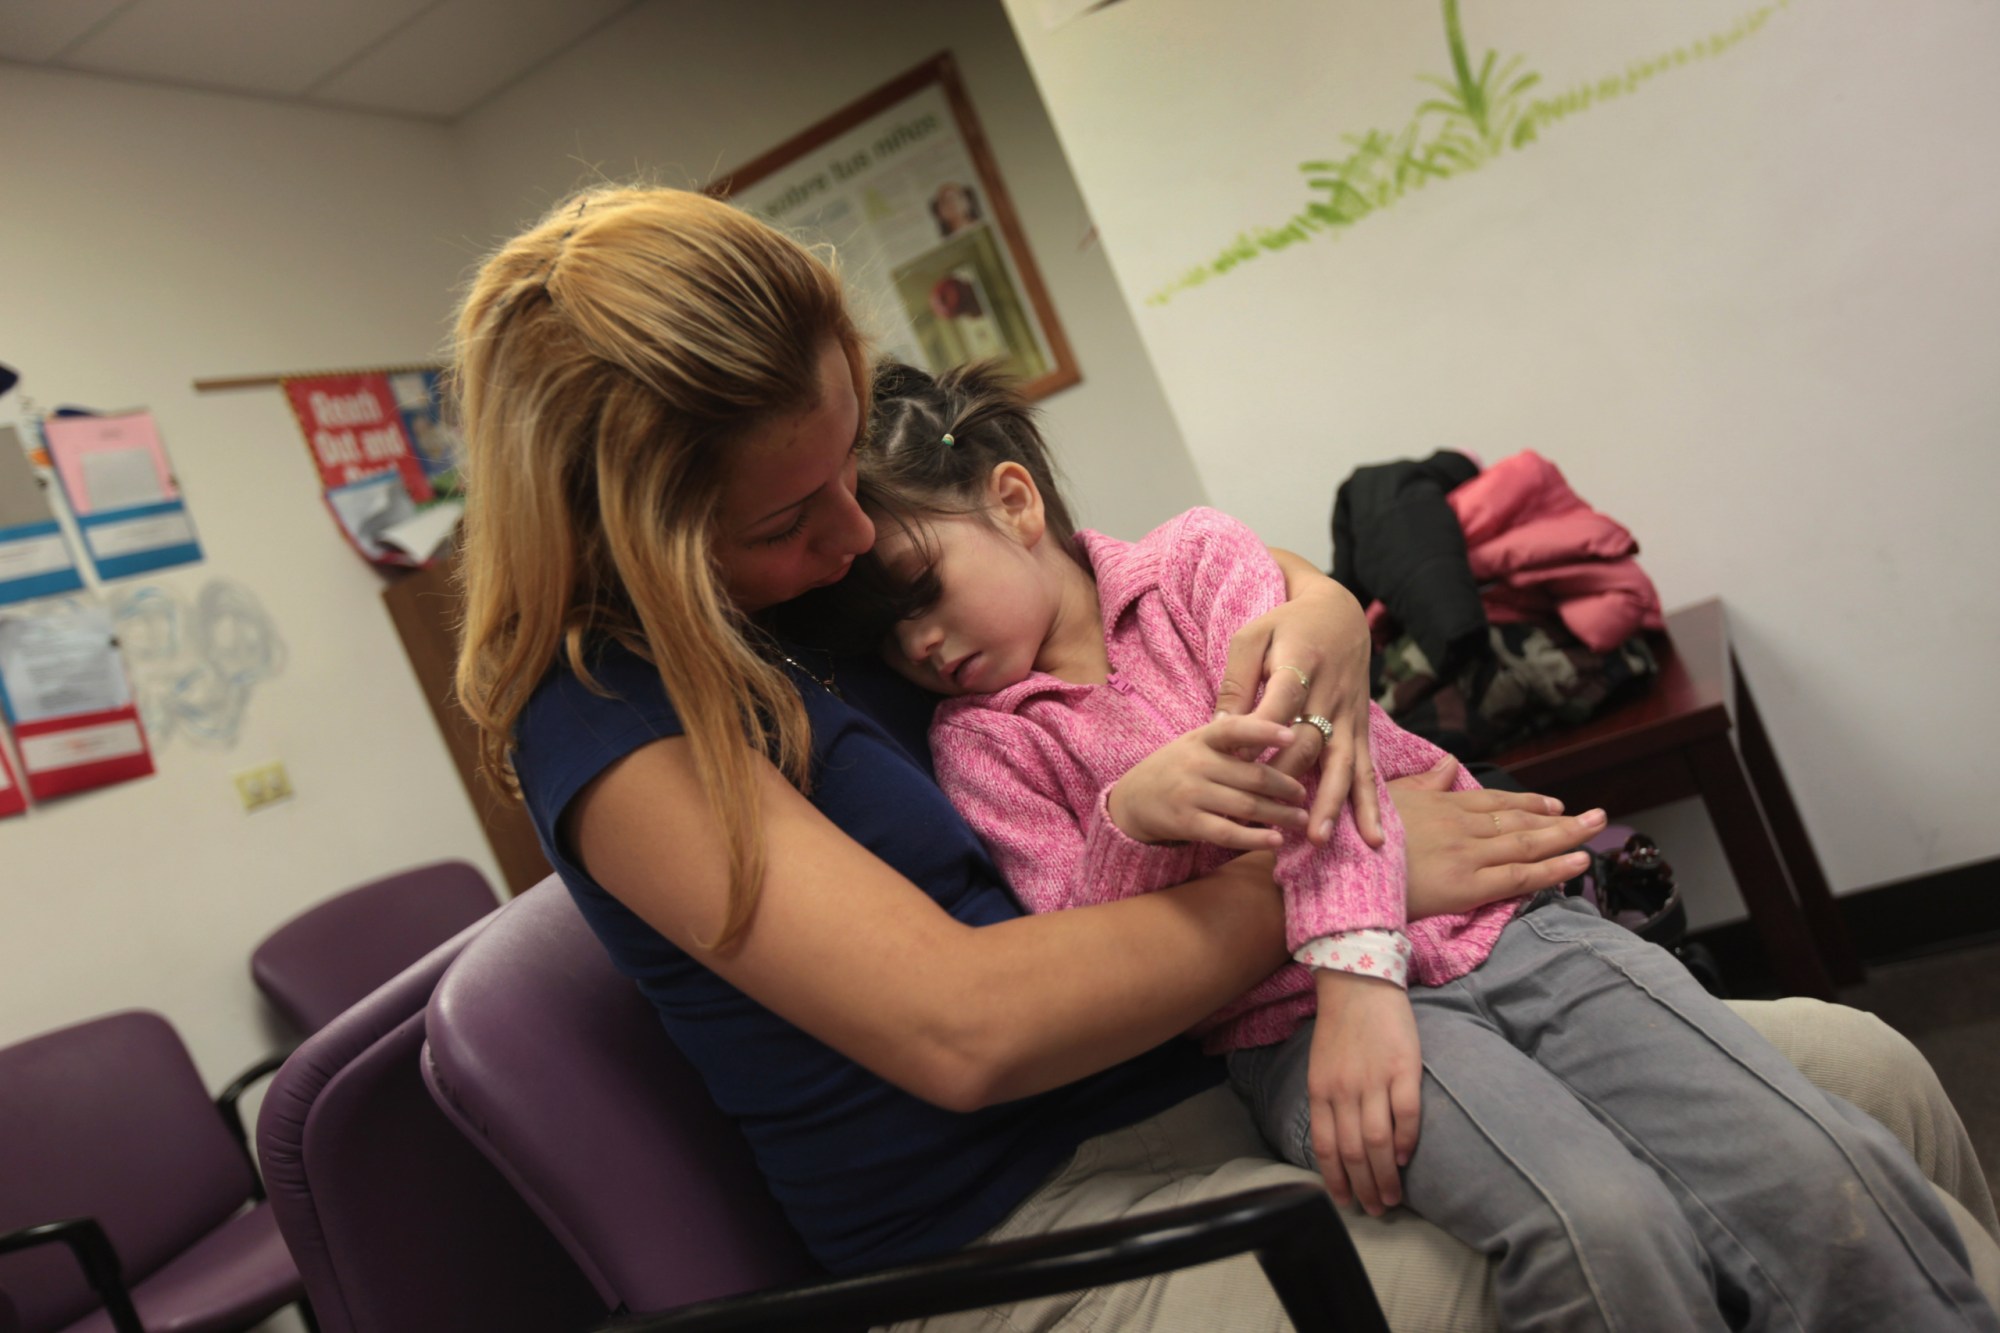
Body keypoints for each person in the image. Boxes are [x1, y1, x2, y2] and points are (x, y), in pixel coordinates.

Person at [449, 184, 2000, 1332]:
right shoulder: (607, 713)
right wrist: (1349, 883)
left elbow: (1136, 593)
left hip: (1196, 1060)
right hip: (1028, 1209)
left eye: (848, 475)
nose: (852, 544)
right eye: (795, 521)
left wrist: (1317, 605)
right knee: (1596, 1246)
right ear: (640, 532)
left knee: (1871, 1077)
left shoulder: (819, 587)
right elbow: (966, 1030)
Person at [816, 360, 1999, 1329]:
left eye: (920, 588)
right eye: (886, 636)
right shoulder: (983, 746)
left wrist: (1356, 971)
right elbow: (1096, 952)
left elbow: (1334, 765)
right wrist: (1132, 820)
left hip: (1505, 937)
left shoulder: (1199, 564)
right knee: (1599, 1229)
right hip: (1285, 1035)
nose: (916, 644)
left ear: (1015, 502)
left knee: (1809, 1163)